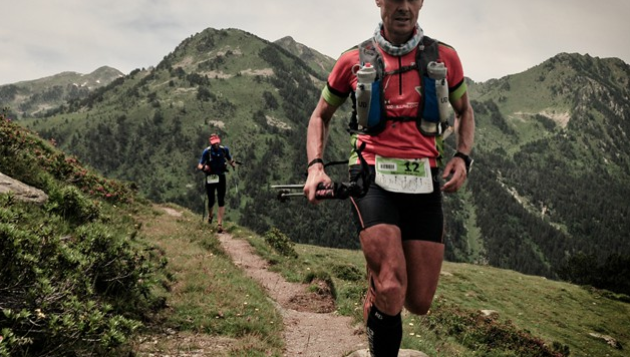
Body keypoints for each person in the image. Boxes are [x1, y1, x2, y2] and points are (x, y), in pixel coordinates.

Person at [303, 0, 475, 355]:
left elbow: (464, 111)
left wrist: (462, 156)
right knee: (392, 285)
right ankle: (381, 296)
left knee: (419, 301)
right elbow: (320, 116)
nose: (403, 6)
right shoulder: (353, 61)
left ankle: (375, 291)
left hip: (423, 180)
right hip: (371, 177)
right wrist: (315, 166)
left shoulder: (444, 59)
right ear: (379, 1)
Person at [197, 133, 236, 233]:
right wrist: (204, 168)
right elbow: (200, 165)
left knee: (221, 199)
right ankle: (210, 215)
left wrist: (232, 164)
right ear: (211, 143)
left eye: (217, 143)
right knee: (211, 200)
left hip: (221, 177)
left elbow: (229, 158)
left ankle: (219, 224)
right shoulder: (207, 152)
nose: (216, 145)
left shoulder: (224, 150)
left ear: (219, 141)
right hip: (210, 177)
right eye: (214, 143)